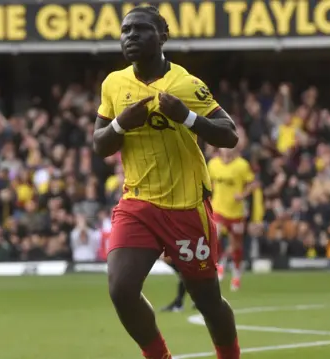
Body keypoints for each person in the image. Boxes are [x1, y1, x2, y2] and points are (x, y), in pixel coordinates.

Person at [92, 6, 241, 359]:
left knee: (207, 301)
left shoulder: (186, 85)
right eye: (125, 30)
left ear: (163, 36)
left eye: (140, 30)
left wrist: (187, 117)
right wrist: (120, 124)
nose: (130, 37)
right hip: (138, 205)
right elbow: (100, 144)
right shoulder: (114, 84)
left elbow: (229, 135)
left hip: (186, 209)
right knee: (121, 289)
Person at [208, 147, 257, 291]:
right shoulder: (213, 164)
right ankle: (220, 263)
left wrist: (242, 195)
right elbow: (209, 183)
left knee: (236, 245)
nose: (226, 150)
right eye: (224, 147)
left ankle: (236, 272)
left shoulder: (242, 165)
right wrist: (209, 197)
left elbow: (252, 184)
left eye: (229, 147)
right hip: (218, 207)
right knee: (215, 235)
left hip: (236, 211)